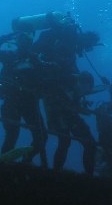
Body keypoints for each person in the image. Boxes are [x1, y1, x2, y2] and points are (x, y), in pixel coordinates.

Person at [32, 16, 100, 174]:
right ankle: (59, 175)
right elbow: (59, 74)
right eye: (88, 46)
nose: (86, 50)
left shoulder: (69, 48)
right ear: (85, 40)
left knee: (82, 142)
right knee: (67, 141)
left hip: (65, 106)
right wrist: (76, 82)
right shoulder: (65, 46)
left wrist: (80, 98)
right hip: (56, 104)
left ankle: (73, 177)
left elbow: (70, 78)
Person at [0, 30, 48, 166]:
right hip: (11, 100)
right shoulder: (10, 55)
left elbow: (43, 80)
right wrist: (2, 39)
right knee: (12, 133)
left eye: (28, 38)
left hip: (30, 103)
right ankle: (4, 166)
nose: (25, 41)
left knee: (42, 136)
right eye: (22, 38)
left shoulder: (35, 59)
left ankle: (26, 160)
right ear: (18, 41)